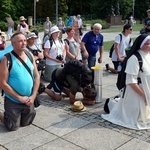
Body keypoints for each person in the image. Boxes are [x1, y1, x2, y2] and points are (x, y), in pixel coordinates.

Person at [102, 34, 150, 130]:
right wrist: (144, 95)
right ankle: (110, 103)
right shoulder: (134, 59)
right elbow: (131, 81)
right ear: (141, 45)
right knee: (134, 115)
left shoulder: (148, 55)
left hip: (147, 90)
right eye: (148, 44)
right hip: (136, 92)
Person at [0, 32, 40, 131]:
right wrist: (19, 98)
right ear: (13, 44)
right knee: (13, 126)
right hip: (13, 100)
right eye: (20, 41)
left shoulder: (29, 55)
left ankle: (20, 114)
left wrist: (33, 95)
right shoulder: (7, 59)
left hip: (29, 99)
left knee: (26, 123)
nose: (24, 43)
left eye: (24, 40)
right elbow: (2, 83)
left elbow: (37, 76)